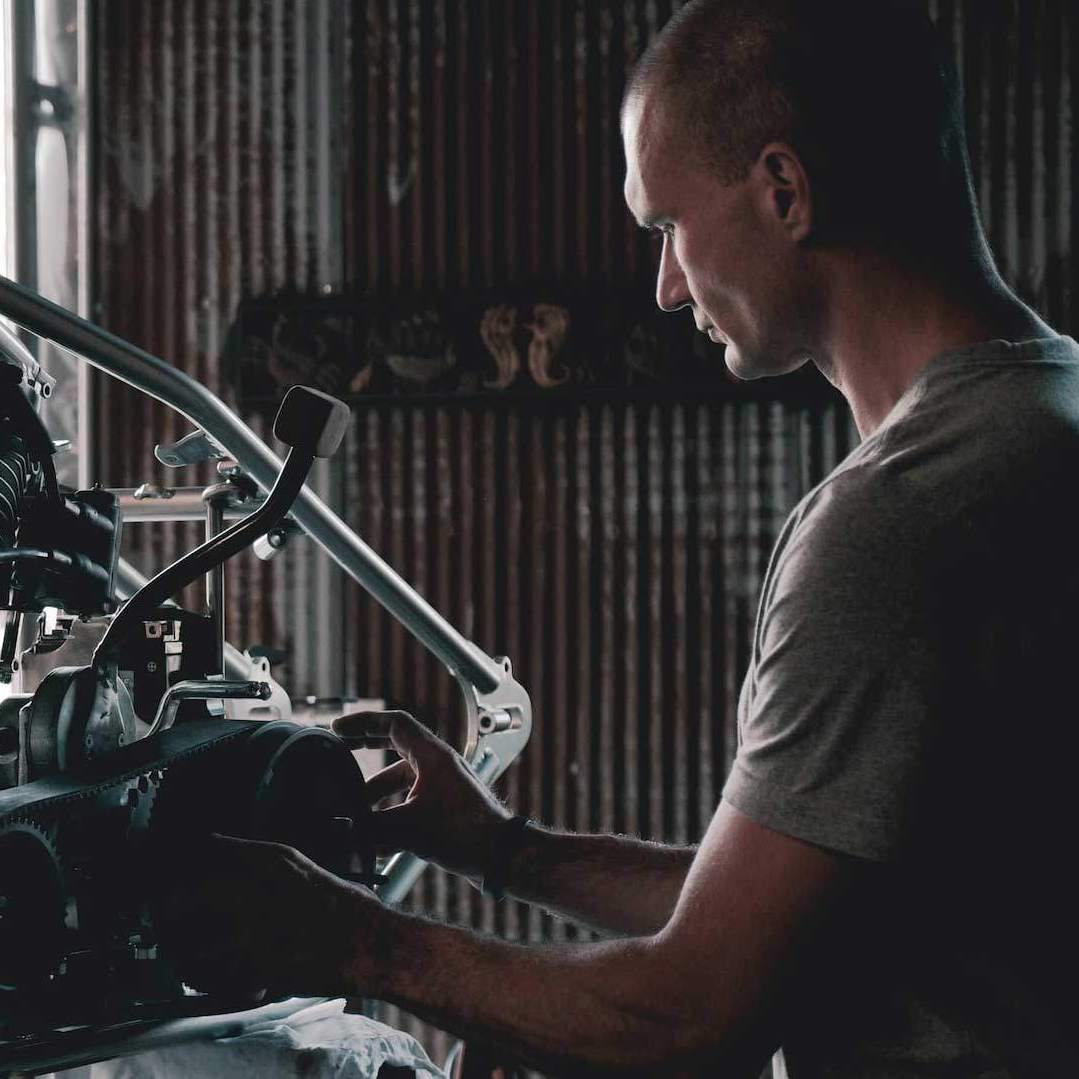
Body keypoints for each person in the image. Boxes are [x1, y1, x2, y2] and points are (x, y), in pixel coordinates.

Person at [166, 1, 1079, 1075]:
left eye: (667, 229)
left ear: (784, 192)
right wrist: (501, 849)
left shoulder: (897, 519)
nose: (665, 286)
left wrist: (352, 940)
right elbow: (799, 910)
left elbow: (690, 1015)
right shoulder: (1042, 414)